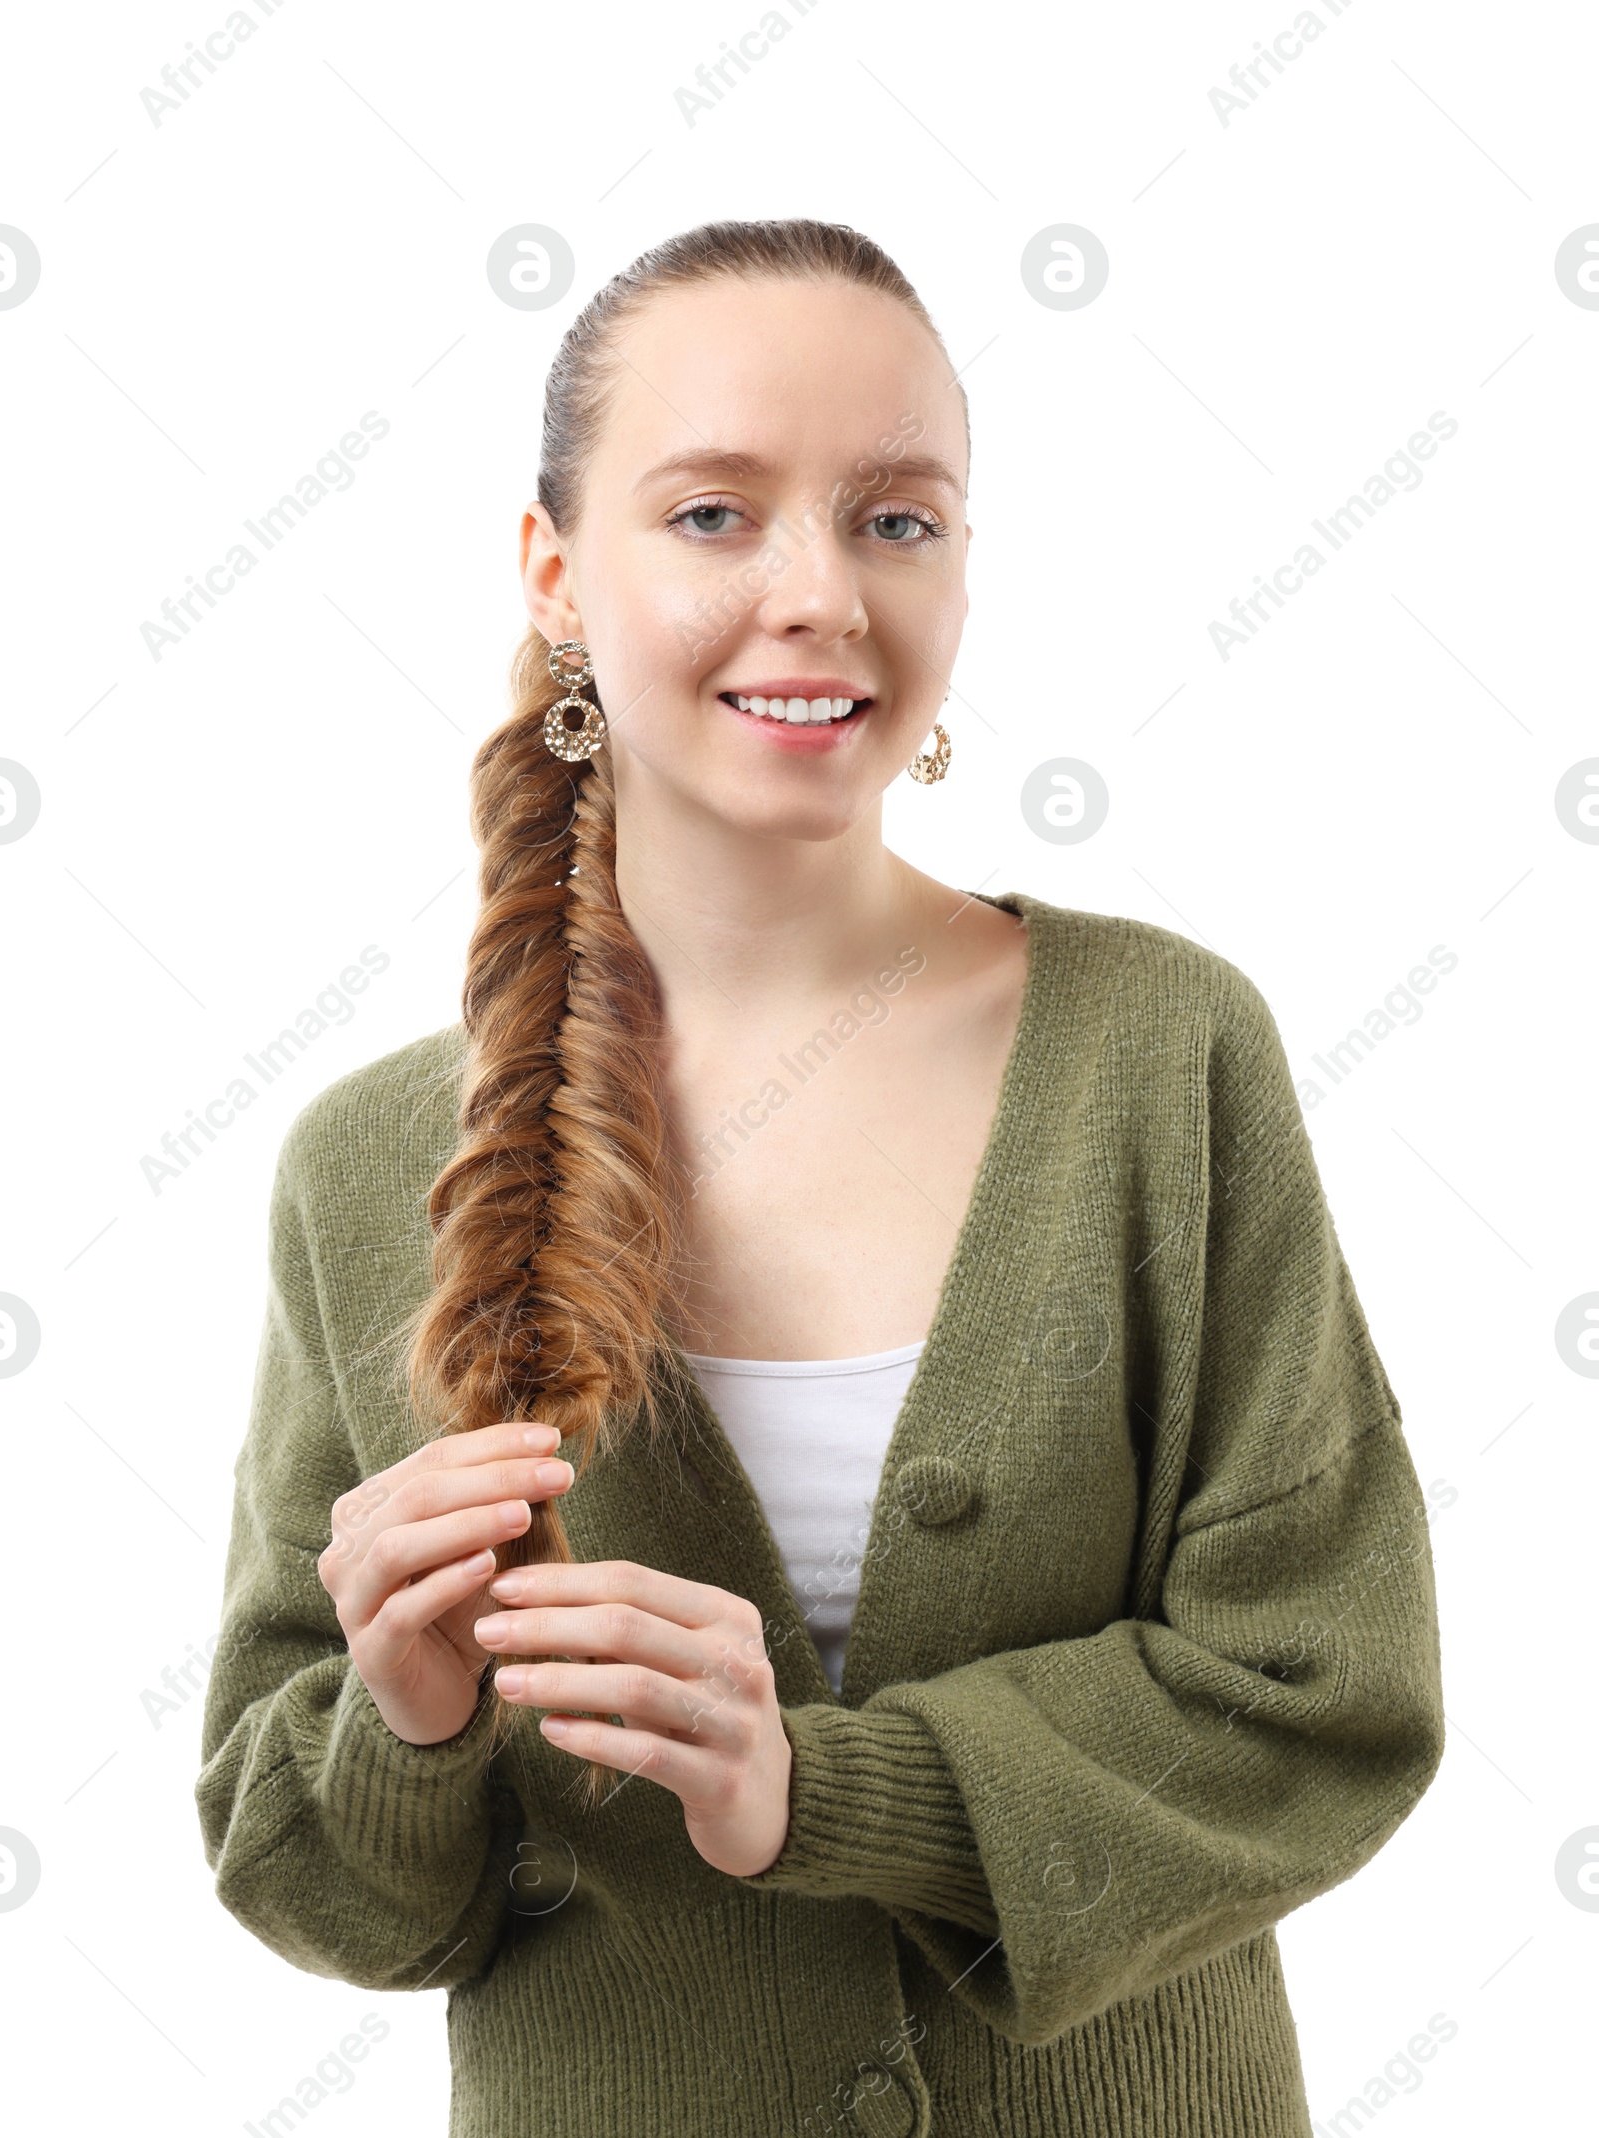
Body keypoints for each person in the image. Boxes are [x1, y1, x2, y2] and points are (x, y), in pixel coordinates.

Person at [196, 218, 1445, 2138]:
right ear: (554, 574)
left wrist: (827, 1788)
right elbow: (322, 1885)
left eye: (897, 519)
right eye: (711, 515)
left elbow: (1326, 1690)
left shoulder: (1163, 1053)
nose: (821, 596)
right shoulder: (371, 1166)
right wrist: (413, 1716)